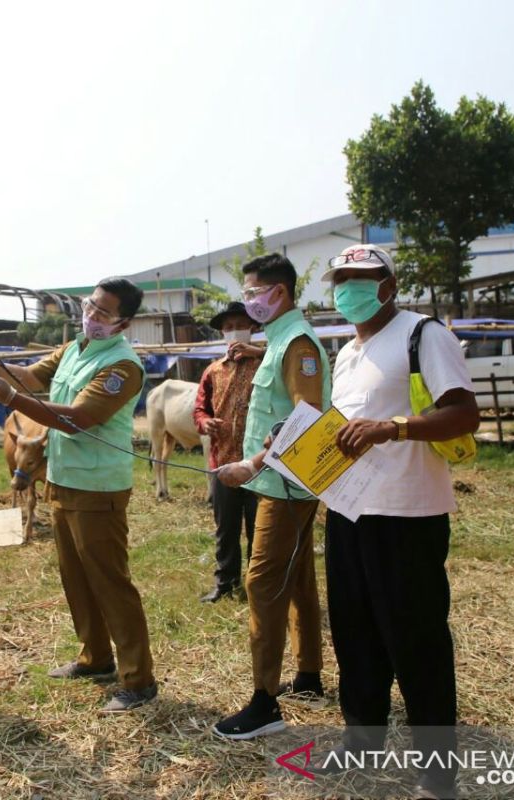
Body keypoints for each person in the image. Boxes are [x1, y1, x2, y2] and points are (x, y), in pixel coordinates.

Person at [319, 243, 479, 800]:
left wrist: (396, 427)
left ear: (389, 284)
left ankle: (437, 776)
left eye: (361, 278)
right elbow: (344, 427)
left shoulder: (422, 335)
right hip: (347, 510)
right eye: (340, 279)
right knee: (354, 635)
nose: (348, 288)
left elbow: (462, 411)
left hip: (407, 514)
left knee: (416, 642)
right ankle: (360, 742)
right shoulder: (345, 352)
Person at [0, 277, 158, 713]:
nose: (92, 316)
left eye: (104, 313)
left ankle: (138, 679)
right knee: (76, 577)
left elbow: (77, 419)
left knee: (110, 582)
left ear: (123, 322)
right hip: (64, 480)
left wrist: (10, 397)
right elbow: (32, 374)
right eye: (91, 306)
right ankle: (95, 659)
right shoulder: (75, 349)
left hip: (98, 489)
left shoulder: (122, 367)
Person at [210, 253, 330, 739]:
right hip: (280, 483)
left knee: (262, 583)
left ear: (278, 293)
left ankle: (264, 703)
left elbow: (308, 414)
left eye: (254, 291)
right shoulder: (278, 340)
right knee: (297, 576)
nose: (248, 300)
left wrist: (252, 463)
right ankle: (307, 674)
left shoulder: (297, 342)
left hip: (284, 484)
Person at [192, 301, 264, 602]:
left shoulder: (266, 361)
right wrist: (205, 423)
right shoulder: (212, 371)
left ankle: (257, 584)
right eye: (228, 326)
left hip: (260, 463)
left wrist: (259, 353)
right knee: (226, 527)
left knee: (258, 527)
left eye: (240, 325)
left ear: (254, 328)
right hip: (222, 461)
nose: (234, 331)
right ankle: (225, 583)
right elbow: (199, 409)